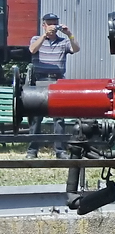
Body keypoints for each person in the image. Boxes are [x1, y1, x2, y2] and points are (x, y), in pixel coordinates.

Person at [26, 13, 79, 158]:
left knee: (59, 117)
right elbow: (32, 50)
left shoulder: (63, 41)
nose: (53, 26)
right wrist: (44, 36)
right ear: (44, 25)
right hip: (40, 81)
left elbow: (76, 49)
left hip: (58, 82)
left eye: (55, 23)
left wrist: (69, 34)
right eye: (50, 23)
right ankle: (32, 150)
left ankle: (60, 150)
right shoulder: (36, 39)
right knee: (36, 117)